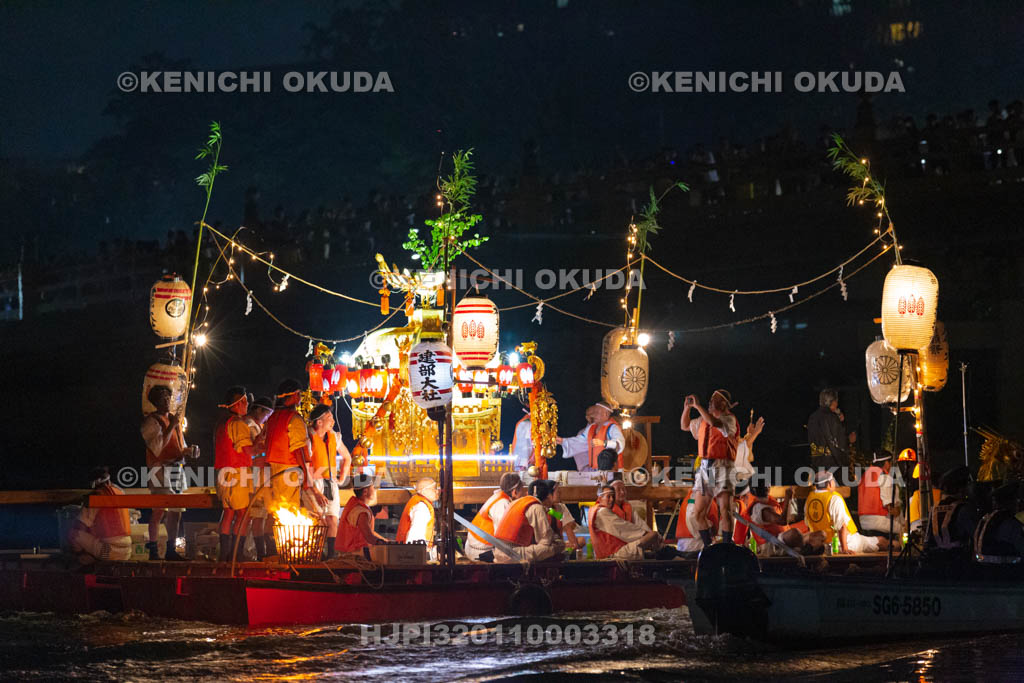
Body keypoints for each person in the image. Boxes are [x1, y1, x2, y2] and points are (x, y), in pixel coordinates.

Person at [140, 384, 198, 561]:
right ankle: (153, 550)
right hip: (160, 469)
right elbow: (157, 448)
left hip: (176, 469)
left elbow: (180, 445)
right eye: (162, 398)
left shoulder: (173, 420)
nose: (166, 401)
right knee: (159, 510)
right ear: (155, 402)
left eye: (168, 398)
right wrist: (171, 426)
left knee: (176, 510)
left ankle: (171, 549)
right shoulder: (151, 422)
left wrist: (189, 450)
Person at [681, 389, 739, 546]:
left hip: (723, 467)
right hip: (706, 468)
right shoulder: (702, 420)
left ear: (723, 403)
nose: (710, 401)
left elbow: (715, 423)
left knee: (725, 511)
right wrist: (687, 408)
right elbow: (685, 426)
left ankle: (727, 547)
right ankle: (709, 546)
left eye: (714, 399)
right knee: (698, 513)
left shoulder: (729, 419)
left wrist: (698, 406)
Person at [213, 386, 262, 562]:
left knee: (229, 513)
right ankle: (235, 555)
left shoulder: (222, 422)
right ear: (239, 402)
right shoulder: (237, 423)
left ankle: (227, 555)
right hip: (236, 473)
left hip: (224, 472)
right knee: (243, 514)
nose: (247, 404)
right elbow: (249, 451)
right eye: (245, 401)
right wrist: (264, 443)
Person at [265, 379, 325, 511]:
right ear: (293, 395)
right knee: (289, 508)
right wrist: (305, 476)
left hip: (274, 468)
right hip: (289, 469)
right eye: (299, 395)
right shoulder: (294, 418)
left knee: (279, 507)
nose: (300, 399)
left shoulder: (273, 417)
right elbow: (298, 450)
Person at [302, 404, 352, 559]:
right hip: (313, 483)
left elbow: (347, 457)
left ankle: (331, 555)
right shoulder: (308, 439)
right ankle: (315, 554)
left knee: (332, 519)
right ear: (319, 422)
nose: (333, 422)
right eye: (329, 418)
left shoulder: (334, 437)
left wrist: (342, 477)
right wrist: (316, 492)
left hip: (330, 483)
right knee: (318, 520)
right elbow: (306, 467)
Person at [805, 470, 888, 553]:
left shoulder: (809, 499)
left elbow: (809, 525)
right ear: (829, 484)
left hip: (823, 546)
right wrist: (845, 549)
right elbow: (842, 526)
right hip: (842, 543)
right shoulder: (834, 498)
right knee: (882, 541)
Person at [68, 467, 133, 564]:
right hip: (127, 551)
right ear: (109, 481)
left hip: (108, 552)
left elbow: (80, 527)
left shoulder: (96, 498)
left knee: (73, 534)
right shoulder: (120, 493)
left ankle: (87, 560)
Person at [493, 479, 565, 563]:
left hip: (500, 551)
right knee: (552, 548)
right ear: (549, 496)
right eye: (558, 492)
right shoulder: (536, 507)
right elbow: (546, 540)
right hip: (512, 554)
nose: (560, 495)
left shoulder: (516, 502)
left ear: (528, 493)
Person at [742, 483, 825, 555]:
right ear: (755, 490)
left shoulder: (770, 501)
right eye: (763, 485)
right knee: (795, 533)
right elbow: (783, 521)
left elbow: (788, 519)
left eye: (767, 485)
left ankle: (804, 548)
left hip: (784, 537)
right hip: (773, 543)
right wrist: (787, 498)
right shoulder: (758, 507)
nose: (767, 487)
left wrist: (789, 499)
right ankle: (804, 550)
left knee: (821, 534)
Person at [589, 484, 662, 560]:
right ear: (600, 498)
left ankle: (658, 551)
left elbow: (639, 523)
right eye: (608, 496)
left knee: (652, 538)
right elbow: (625, 528)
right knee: (653, 535)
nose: (611, 499)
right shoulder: (602, 512)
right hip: (614, 552)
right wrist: (648, 535)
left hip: (621, 545)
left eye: (613, 496)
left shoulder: (626, 506)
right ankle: (660, 551)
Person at [466, 472, 524, 562]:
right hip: (480, 551)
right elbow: (503, 536)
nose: (523, 494)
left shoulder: (499, 496)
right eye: (522, 491)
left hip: (475, 545)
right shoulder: (502, 504)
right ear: (514, 492)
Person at [243, 396, 275, 559]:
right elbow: (252, 452)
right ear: (258, 410)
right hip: (255, 474)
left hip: (263, 473)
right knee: (257, 514)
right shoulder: (249, 425)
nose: (267, 418)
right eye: (267, 414)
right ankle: (261, 552)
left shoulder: (257, 425)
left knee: (265, 513)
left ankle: (265, 551)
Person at [557, 402, 624, 472]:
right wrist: (563, 441)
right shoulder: (591, 428)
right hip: (594, 470)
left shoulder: (612, 427)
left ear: (606, 414)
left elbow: (619, 443)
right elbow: (580, 441)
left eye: (597, 412)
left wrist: (604, 443)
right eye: (593, 413)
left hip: (611, 470)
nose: (594, 415)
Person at [926, 466, 978, 552]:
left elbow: (928, 537)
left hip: (936, 558)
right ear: (960, 488)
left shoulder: (934, 507)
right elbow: (975, 534)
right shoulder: (963, 508)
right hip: (958, 558)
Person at [973, 482, 1024, 563]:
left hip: (982, 569)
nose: (1018, 504)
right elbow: (1020, 547)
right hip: (1004, 571)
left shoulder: (984, 519)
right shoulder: (1010, 523)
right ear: (1009, 502)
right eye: (1016, 500)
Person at [857, 451, 904, 538]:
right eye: (890, 463)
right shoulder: (884, 476)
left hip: (863, 521)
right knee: (904, 530)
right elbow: (891, 508)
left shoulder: (864, 475)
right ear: (886, 463)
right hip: (878, 520)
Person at [337, 474, 387, 553]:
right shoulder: (361, 512)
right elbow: (369, 536)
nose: (374, 490)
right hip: (355, 555)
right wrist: (383, 544)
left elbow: (369, 532)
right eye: (373, 488)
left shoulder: (356, 507)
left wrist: (385, 541)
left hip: (351, 552)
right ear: (365, 492)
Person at [808, 388, 855, 470]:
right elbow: (837, 441)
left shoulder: (813, 417)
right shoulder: (832, 417)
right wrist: (848, 440)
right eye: (836, 401)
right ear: (833, 402)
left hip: (816, 462)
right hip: (831, 464)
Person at [396, 478, 438, 557]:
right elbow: (415, 536)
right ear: (424, 491)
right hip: (413, 556)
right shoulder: (422, 507)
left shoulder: (419, 503)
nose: (437, 491)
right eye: (433, 489)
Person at [675, 486, 718, 553]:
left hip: (692, 542)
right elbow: (692, 516)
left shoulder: (699, 493)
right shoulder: (701, 493)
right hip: (695, 543)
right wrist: (707, 536)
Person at [550, 480, 585, 553]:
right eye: (558, 492)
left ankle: (566, 550)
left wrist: (574, 545)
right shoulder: (546, 509)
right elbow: (567, 524)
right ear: (550, 494)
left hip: (560, 540)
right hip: (549, 544)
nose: (560, 494)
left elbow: (569, 526)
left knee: (581, 541)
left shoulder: (561, 506)